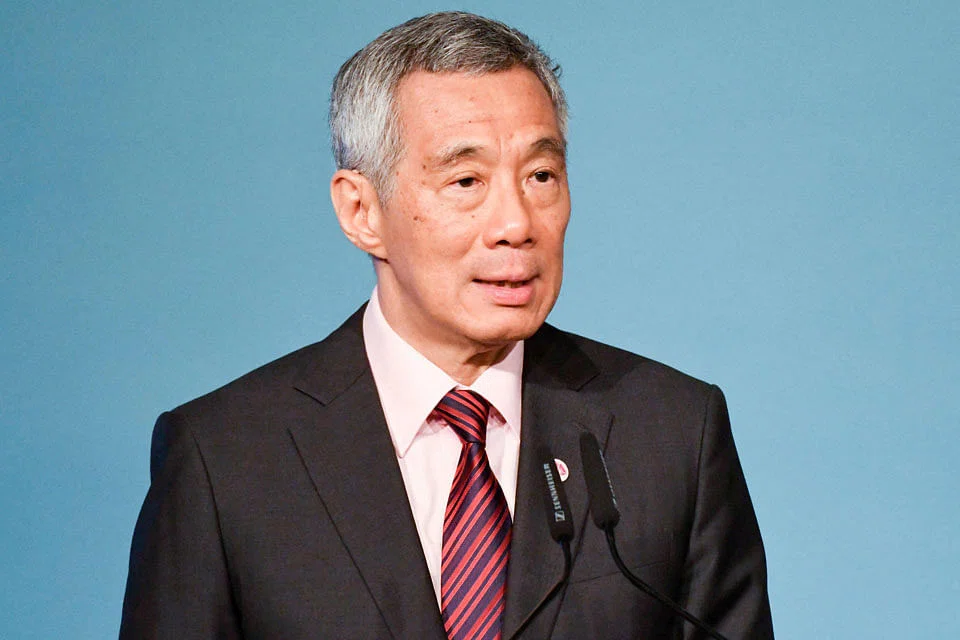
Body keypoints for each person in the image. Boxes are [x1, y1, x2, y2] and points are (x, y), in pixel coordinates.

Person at [121, 11, 773, 639]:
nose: (516, 224)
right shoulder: (224, 459)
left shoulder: (672, 434)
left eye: (541, 175)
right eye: (466, 181)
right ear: (361, 211)